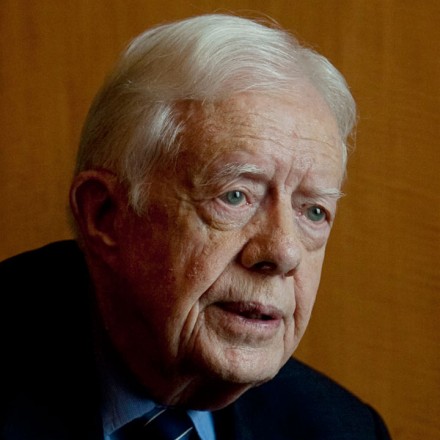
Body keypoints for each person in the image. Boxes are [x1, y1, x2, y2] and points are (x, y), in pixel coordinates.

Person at [0, 13, 391, 440]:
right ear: (105, 216)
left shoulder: (340, 428)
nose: (283, 251)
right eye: (235, 196)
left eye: (312, 211)